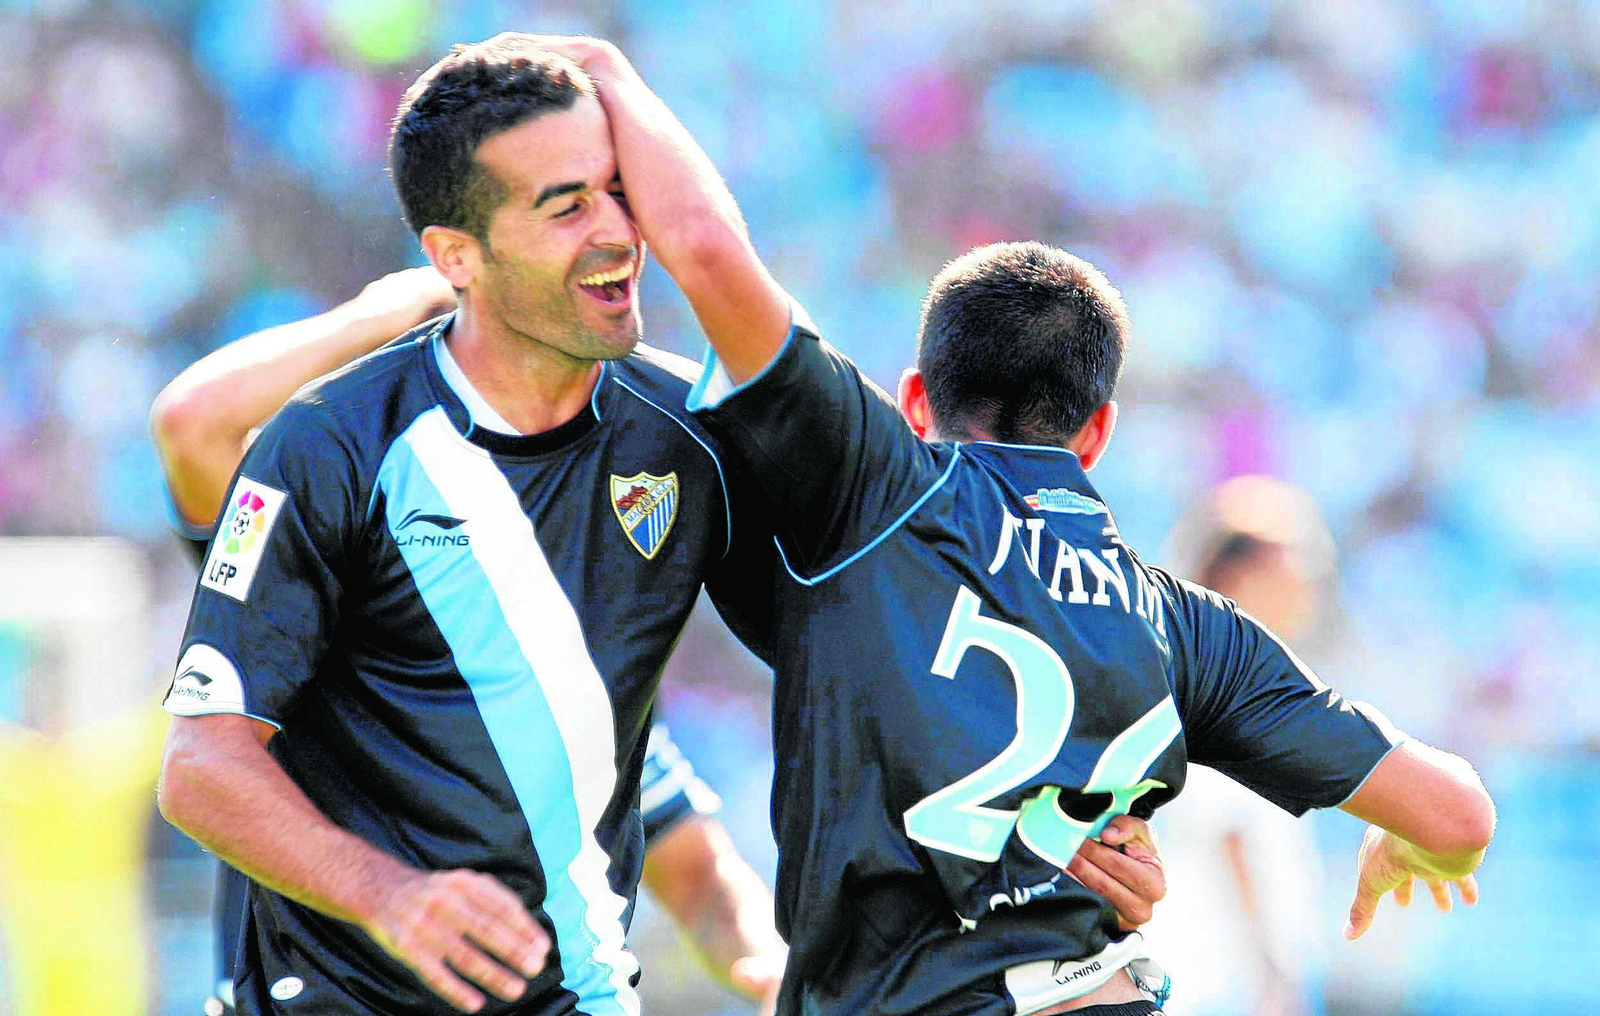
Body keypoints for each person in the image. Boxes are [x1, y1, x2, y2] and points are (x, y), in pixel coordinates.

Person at [154, 40, 1164, 1016]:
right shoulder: (328, 445)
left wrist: (1060, 814)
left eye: (616, 191)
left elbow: (897, 638)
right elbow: (201, 764)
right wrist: (388, 892)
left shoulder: (690, 432)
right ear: (456, 255)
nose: (617, 231)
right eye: (565, 206)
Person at [530, 35, 1496, 1016]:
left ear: (914, 400)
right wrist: (1409, 839)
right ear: (1099, 432)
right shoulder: (1188, 625)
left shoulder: (874, 488)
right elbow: (1457, 808)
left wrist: (601, 71)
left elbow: (701, 246)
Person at [148, 266, 786, 1016]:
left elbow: (702, 883)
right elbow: (192, 424)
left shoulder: (582, 681)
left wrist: (778, 975)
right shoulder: (325, 508)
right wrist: (379, 320)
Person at [1141, 477, 1345, 1016]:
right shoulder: (1217, 689)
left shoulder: (1231, 683)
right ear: (1236, 577)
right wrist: (1274, 974)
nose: (1311, 584)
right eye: (1293, 566)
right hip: (1221, 985)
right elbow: (1228, 827)